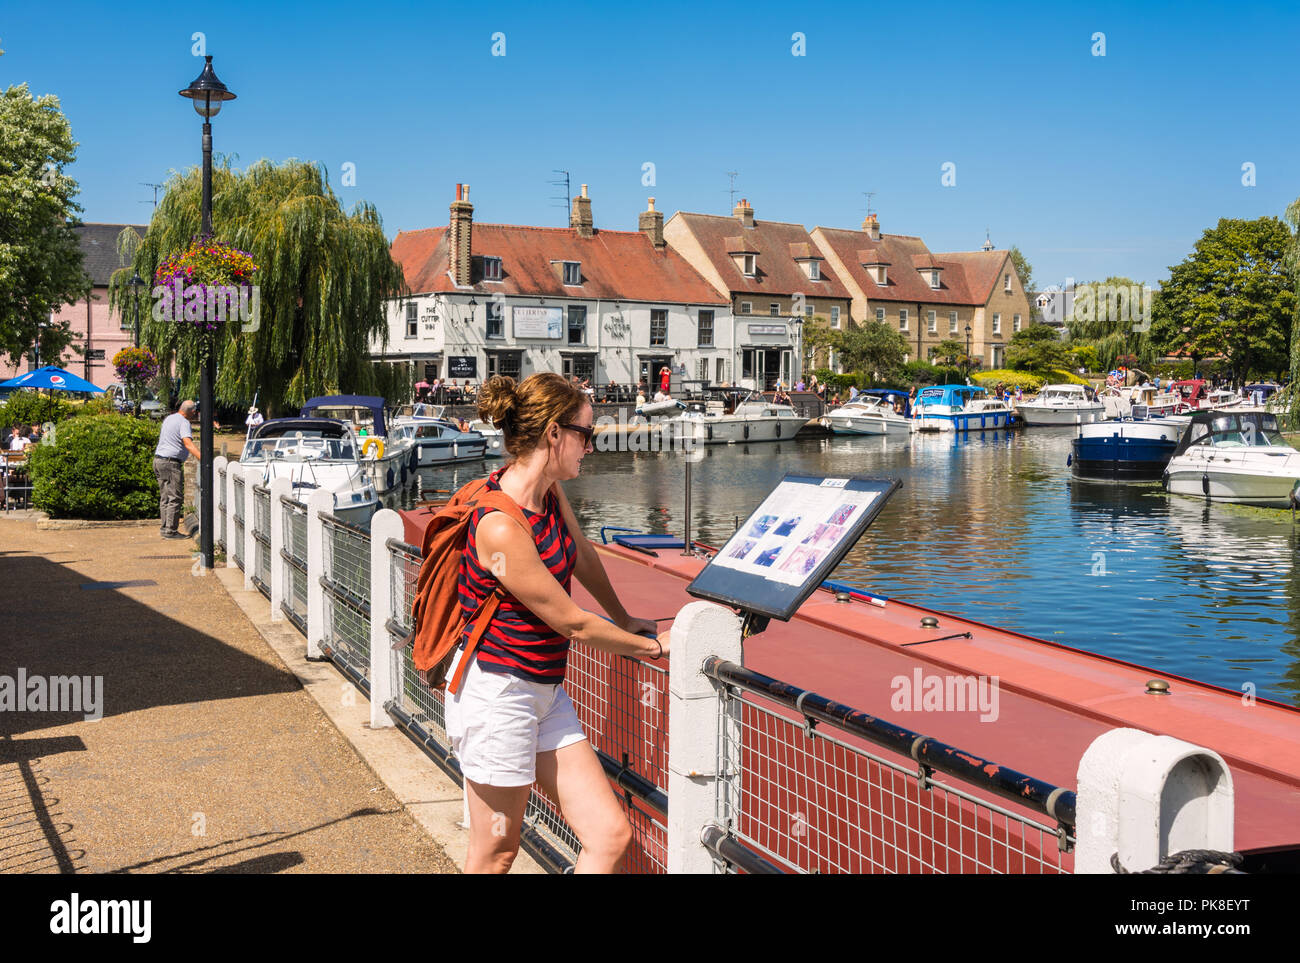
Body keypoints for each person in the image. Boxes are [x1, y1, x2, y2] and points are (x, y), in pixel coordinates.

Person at [450, 373, 670, 874]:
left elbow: (582, 555)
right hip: (498, 694)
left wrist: (624, 617)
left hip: (545, 690)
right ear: (554, 433)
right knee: (495, 853)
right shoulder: (499, 524)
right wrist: (655, 648)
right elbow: (572, 624)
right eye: (585, 435)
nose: (590, 448)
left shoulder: (547, 493)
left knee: (609, 836)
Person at [154, 401, 201, 539]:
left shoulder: (169, 418)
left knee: (165, 497)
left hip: (158, 460)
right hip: (170, 463)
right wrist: (204, 459)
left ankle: (165, 528)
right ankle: (171, 531)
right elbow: (188, 443)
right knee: (175, 497)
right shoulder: (184, 422)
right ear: (191, 412)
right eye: (194, 412)